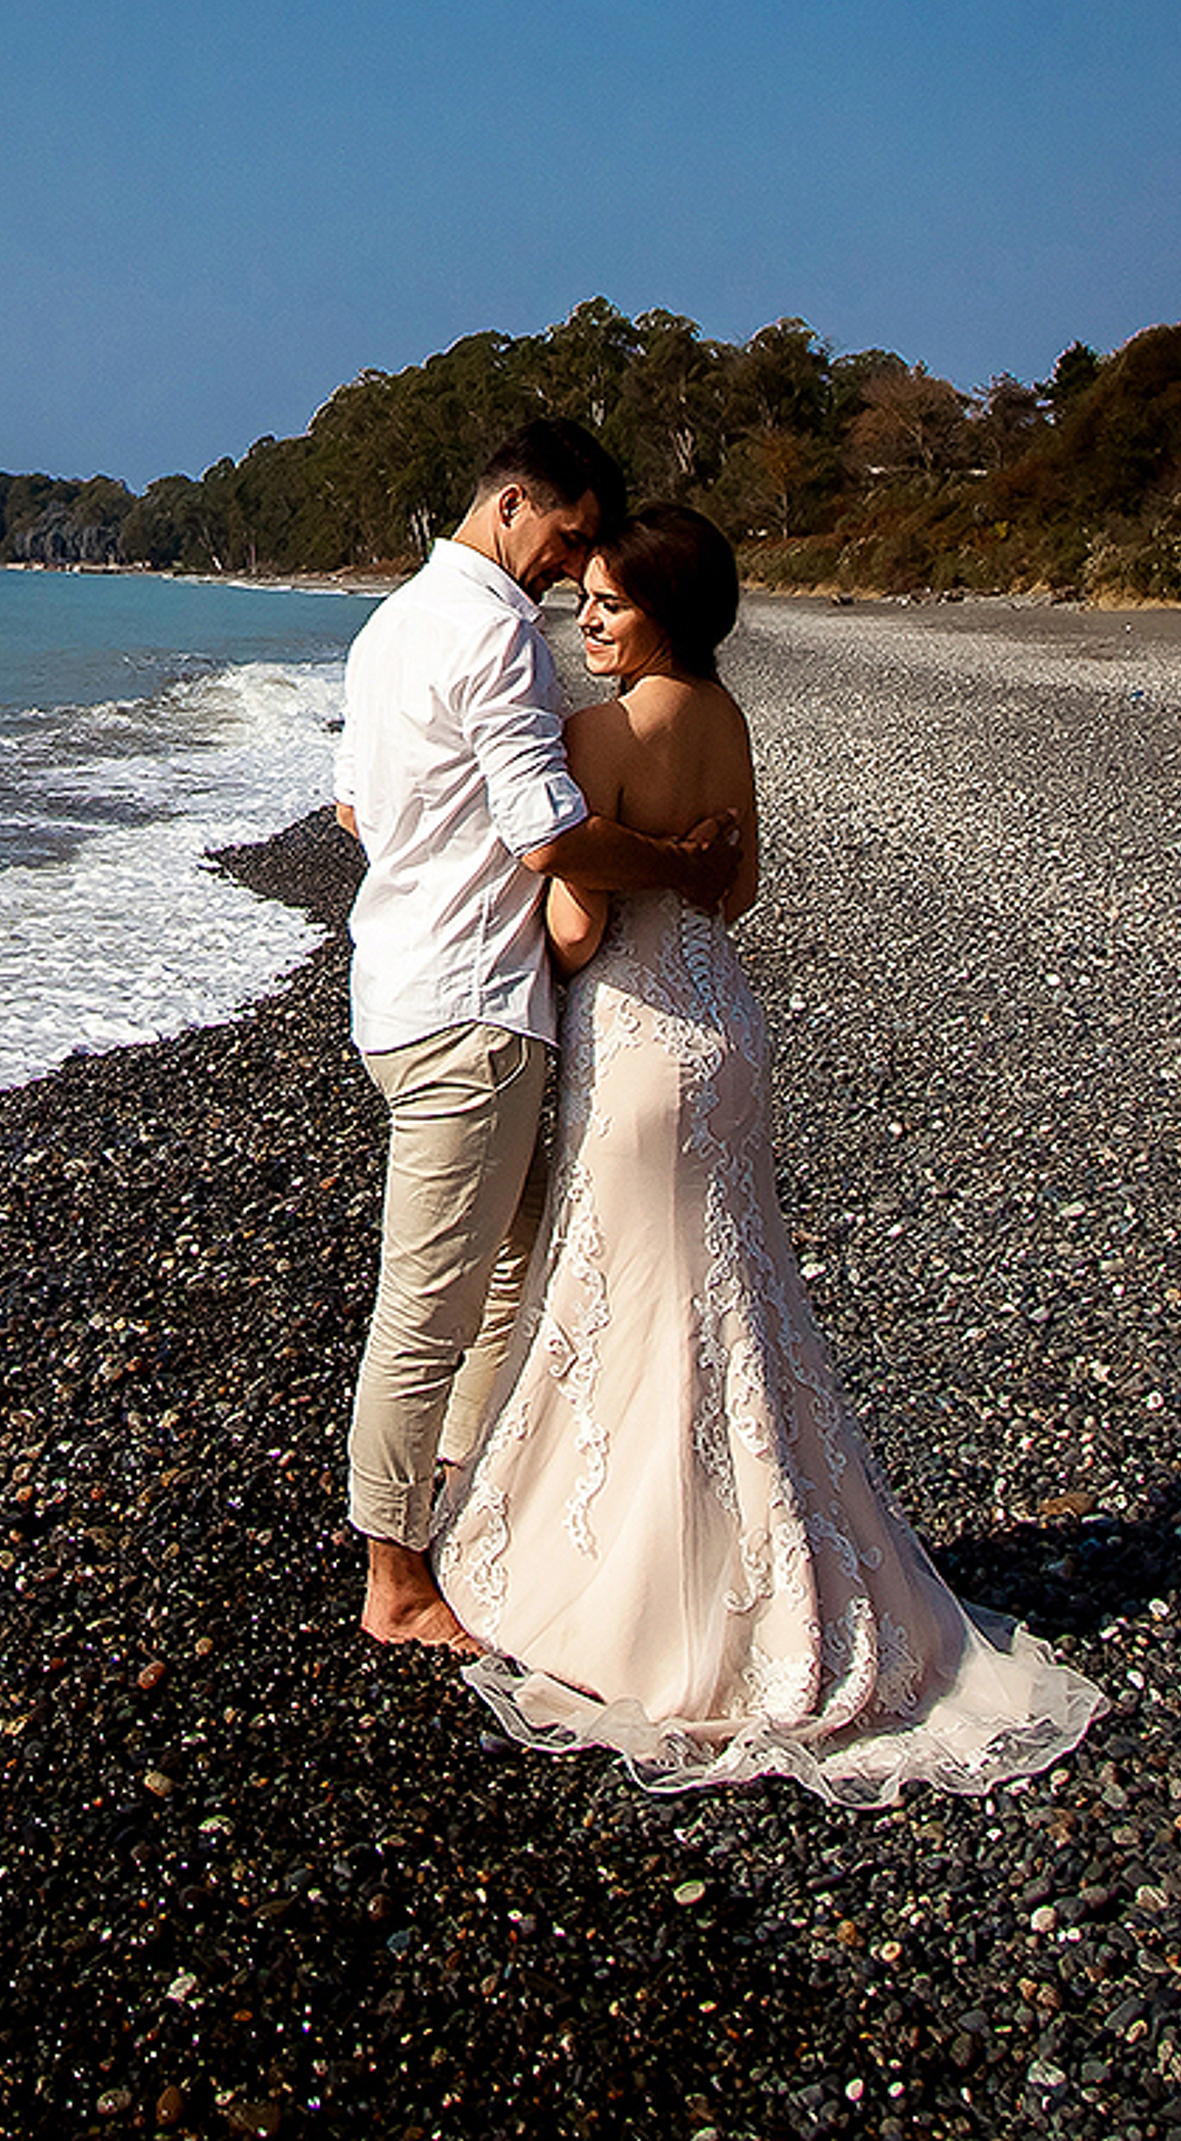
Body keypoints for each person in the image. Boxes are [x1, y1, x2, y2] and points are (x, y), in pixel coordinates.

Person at [432, 504, 1103, 1799]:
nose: (586, 618)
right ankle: (783, 1560)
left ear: (662, 616)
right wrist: (676, 865)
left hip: (634, 1035)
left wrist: (554, 888)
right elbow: (734, 892)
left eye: (609, 606)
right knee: (730, 1301)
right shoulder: (725, 721)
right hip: (724, 1026)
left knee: (633, 1301)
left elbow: (573, 932)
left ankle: (659, 1600)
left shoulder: (594, 735)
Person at [333, 423, 743, 1652]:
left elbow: (357, 808)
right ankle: (395, 1580)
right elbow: (553, 836)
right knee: (433, 1299)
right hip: (473, 1011)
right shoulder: (494, 632)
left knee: (515, 1267)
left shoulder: (388, 624)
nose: (574, 570)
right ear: (515, 502)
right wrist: (674, 860)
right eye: (569, 534)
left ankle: (465, 1506)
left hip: (397, 987)